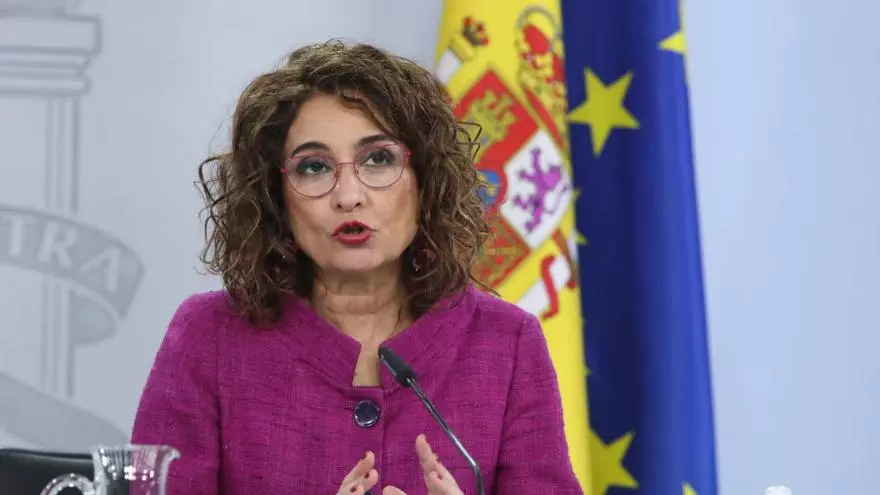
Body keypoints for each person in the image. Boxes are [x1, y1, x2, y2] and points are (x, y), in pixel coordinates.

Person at [131, 40, 582, 495]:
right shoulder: (210, 336)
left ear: (425, 180)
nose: (348, 196)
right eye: (314, 167)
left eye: (378, 159)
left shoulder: (505, 342)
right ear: (275, 196)